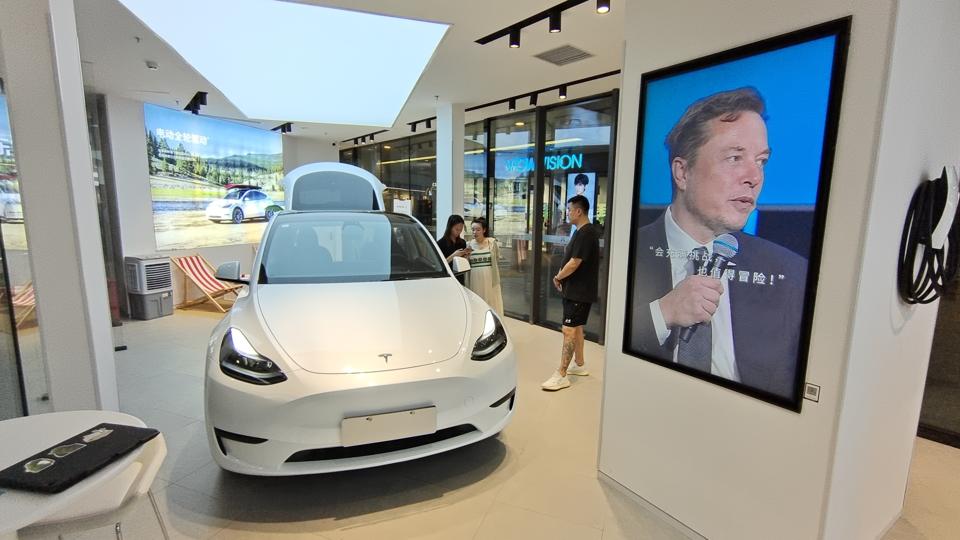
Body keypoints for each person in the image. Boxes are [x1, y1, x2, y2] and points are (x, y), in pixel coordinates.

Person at [628, 87, 807, 399]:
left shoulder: (790, 273)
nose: (754, 176)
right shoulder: (627, 251)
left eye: (761, 161)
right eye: (735, 157)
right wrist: (662, 313)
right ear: (682, 173)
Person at [541, 195, 601, 391]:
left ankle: (561, 374)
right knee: (577, 328)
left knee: (568, 330)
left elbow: (575, 262)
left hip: (579, 292)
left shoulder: (586, 233)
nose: (567, 213)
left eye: (569, 209)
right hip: (576, 290)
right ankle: (580, 364)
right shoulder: (581, 231)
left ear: (578, 211)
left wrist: (558, 277)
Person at [465, 217, 504, 315]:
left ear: (484, 230)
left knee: (492, 302)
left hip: (490, 279)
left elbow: (497, 259)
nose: (475, 232)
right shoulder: (468, 245)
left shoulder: (492, 243)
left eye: (478, 229)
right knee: (478, 302)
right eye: (473, 229)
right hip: (475, 279)